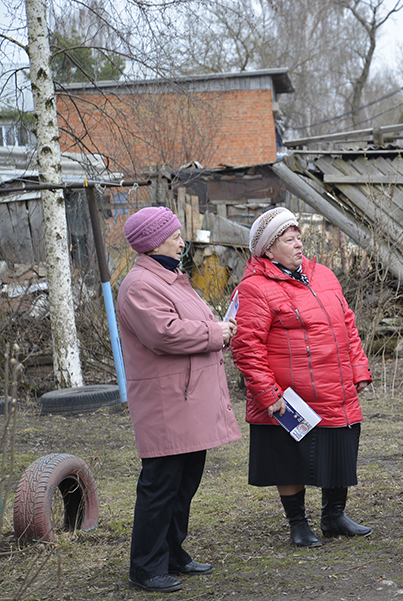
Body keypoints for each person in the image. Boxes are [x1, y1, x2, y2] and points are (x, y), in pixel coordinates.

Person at [231, 207, 373, 548]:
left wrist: (359, 369)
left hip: (334, 385)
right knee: (289, 459)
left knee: (339, 449)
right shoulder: (254, 288)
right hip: (289, 394)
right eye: (287, 238)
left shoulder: (323, 275)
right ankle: (298, 524)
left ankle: (334, 516)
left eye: (298, 237)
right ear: (267, 249)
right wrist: (268, 394)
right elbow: (247, 347)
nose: (297, 244)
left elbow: (347, 324)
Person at [117, 206, 242, 593]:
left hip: (187, 401)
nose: (182, 241)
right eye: (174, 236)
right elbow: (165, 334)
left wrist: (220, 328)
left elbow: (190, 323)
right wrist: (216, 333)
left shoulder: (171, 279)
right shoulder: (140, 285)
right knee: (160, 486)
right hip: (167, 404)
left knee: (184, 483)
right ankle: (146, 567)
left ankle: (172, 553)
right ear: (155, 243)